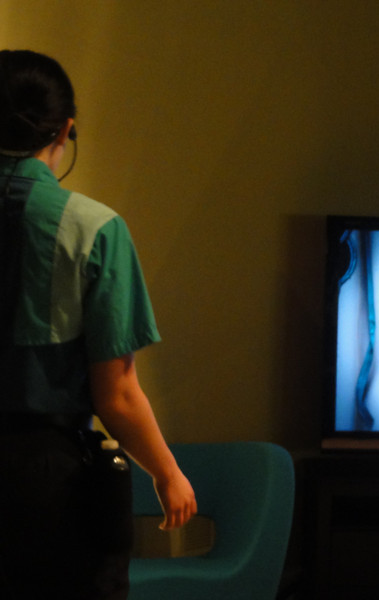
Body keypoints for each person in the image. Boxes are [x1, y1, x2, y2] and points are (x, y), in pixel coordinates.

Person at [0, 49, 196, 599]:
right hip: (44, 483)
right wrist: (168, 473)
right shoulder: (95, 229)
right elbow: (118, 394)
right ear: (65, 130)